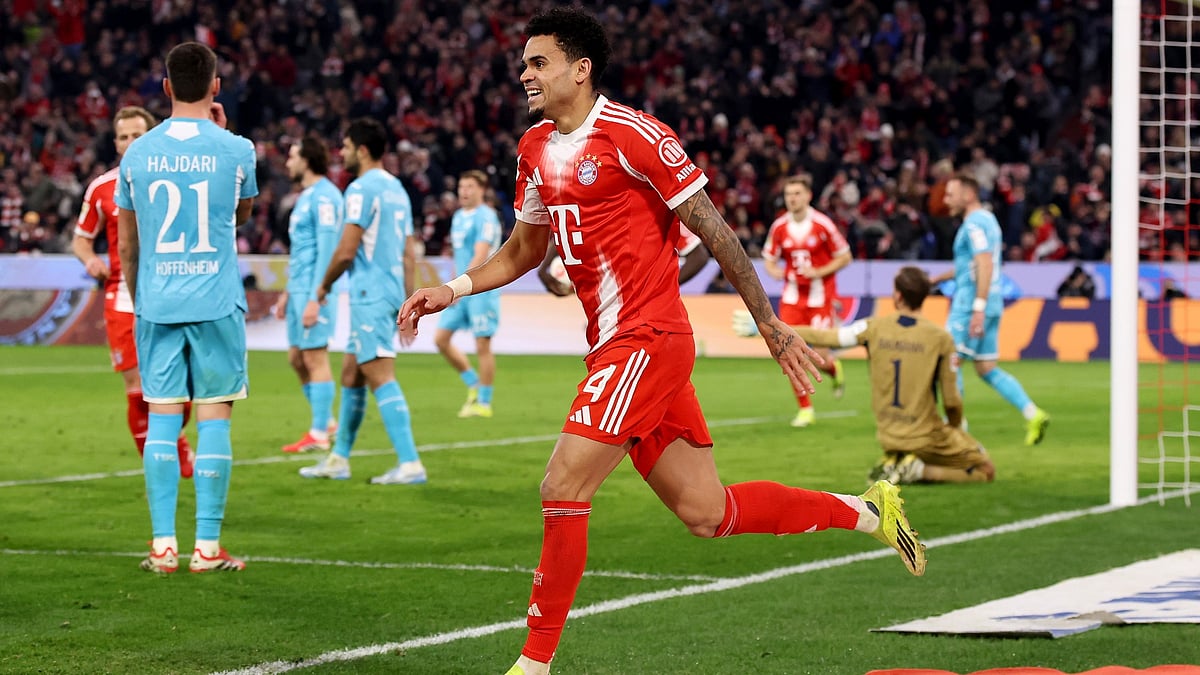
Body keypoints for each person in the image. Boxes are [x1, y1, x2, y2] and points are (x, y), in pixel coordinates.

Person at [396, 9, 926, 674]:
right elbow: (526, 247)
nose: (525, 73)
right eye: (525, 63)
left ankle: (532, 665)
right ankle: (864, 510)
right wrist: (454, 287)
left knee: (562, 482)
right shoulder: (534, 147)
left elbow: (715, 229)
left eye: (539, 62)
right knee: (710, 512)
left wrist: (769, 323)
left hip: (648, 338)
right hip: (618, 347)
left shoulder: (634, 134)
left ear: (580, 69)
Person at [115, 42, 256, 573]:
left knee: (163, 421)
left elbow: (128, 244)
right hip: (216, 300)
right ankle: (207, 549)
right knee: (215, 415)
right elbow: (237, 216)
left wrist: (141, 292)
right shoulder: (238, 149)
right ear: (216, 87)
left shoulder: (137, 153)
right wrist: (225, 131)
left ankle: (162, 547)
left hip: (157, 300)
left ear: (167, 88)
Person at [299, 118, 427, 485]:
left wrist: (321, 289)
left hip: (369, 293)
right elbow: (407, 252)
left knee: (380, 375)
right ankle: (339, 458)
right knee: (352, 372)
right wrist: (407, 301)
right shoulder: (397, 190)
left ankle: (410, 463)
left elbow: (345, 250)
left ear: (363, 150)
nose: (341, 153)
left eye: (346, 146)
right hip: (388, 292)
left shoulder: (359, 189)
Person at [72, 106, 194, 478]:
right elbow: (81, 240)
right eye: (124, 136)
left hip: (171, 293)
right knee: (136, 387)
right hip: (123, 298)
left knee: (183, 389)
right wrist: (91, 261)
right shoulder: (102, 187)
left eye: (137, 135)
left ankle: (175, 440)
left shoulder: (174, 180)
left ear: (151, 136)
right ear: (116, 142)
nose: (130, 142)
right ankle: (158, 465)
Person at [791, 267, 996, 484]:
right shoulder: (940, 338)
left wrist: (773, 328)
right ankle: (917, 471)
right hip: (926, 436)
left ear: (897, 295)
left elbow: (826, 337)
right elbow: (952, 402)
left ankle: (898, 459)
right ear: (925, 296)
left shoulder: (873, 327)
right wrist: (955, 430)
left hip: (888, 435)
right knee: (985, 470)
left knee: (920, 445)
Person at [933, 173, 1050, 445]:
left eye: (951, 193)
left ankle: (957, 433)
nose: (946, 199)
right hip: (991, 300)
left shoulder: (973, 223)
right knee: (986, 367)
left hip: (971, 303)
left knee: (949, 362)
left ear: (968, 194)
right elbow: (973, 265)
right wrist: (934, 280)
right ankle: (1033, 413)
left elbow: (984, 263)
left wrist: (977, 308)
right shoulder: (989, 221)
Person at [762, 174, 851, 428]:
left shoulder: (823, 224)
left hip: (820, 297)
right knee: (788, 352)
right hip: (792, 298)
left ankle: (833, 369)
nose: (792, 198)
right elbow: (769, 256)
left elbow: (845, 257)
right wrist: (773, 270)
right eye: (789, 194)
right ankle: (805, 409)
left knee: (820, 354)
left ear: (808, 196)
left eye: (797, 193)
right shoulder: (779, 226)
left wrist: (820, 272)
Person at [273, 136, 344, 452]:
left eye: (293, 156)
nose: (288, 162)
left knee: (314, 356)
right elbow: (302, 252)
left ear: (308, 159)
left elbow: (328, 250)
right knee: (296, 357)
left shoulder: (326, 197)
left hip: (316, 291)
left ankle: (318, 433)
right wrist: (288, 293)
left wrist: (317, 296)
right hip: (299, 288)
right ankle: (326, 422)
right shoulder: (306, 197)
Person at [434, 169, 503, 418]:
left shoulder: (486, 217)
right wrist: (453, 284)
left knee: (482, 345)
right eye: (461, 186)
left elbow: (480, 254)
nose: (463, 191)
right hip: (460, 289)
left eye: (470, 186)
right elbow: (458, 254)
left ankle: (484, 403)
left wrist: (460, 288)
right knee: (441, 339)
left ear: (481, 190)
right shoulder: (458, 217)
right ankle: (473, 383)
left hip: (481, 290)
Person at [537, 220, 710, 296]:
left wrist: (660, 288)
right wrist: (544, 269)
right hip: (607, 303)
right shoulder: (605, 202)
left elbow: (699, 256)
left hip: (646, 311)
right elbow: (570, 228)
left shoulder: (662, 208)